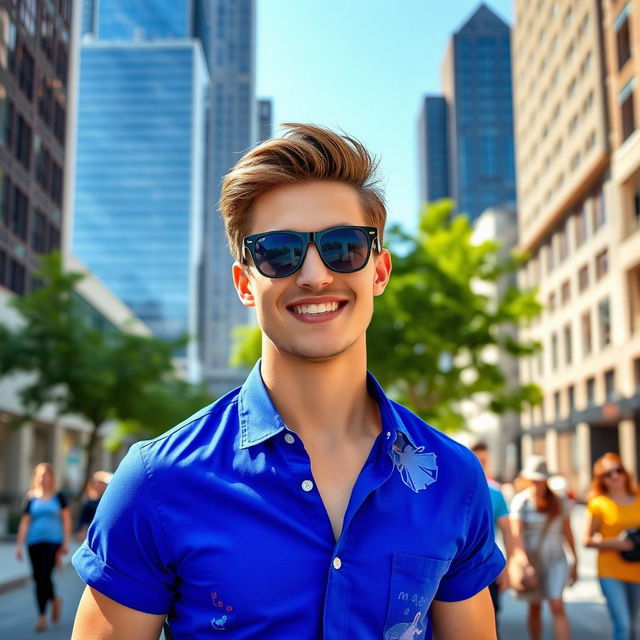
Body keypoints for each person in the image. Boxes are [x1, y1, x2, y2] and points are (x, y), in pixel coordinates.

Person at [71, 123, 505, 640]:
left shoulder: (454, 478)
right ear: (244, 283)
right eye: (279, 251)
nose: (315, 275)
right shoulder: (156, 482)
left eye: (344, 246)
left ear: (380, 271)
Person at [509, 455, 577, 640]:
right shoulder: (520, 502)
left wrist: (575, 561)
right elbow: (516, 537)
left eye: (541, 478)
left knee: (557, 604)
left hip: (556, 558)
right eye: (534, 478)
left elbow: (568, 532)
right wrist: (525, 565)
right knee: (535, 606)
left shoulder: (559, 500)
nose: (538, 482)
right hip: (532, 559)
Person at [584, 452, 640, 640]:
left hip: (637, 570)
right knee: (622, 625)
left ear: (625, 473)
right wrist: (614, 543)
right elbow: (587, 540)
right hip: (610, 571)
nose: (615, 476)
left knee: (635, 627)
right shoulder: (599, 504)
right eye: (608, 474)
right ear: (601, 479)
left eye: (618, 471)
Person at [15, 462, 71, 632]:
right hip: (33, 542)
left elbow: (66, 520)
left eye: (46, 474)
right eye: (40, 475)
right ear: (36, 478)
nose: (43, 477)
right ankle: (54, 599)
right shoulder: (31, 498)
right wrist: (19, 545)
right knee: (39, 578)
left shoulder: (59, 497)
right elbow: (24, 523)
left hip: (53, 542)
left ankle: (42, 618)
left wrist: (66, 543)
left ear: (52, 477)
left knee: (45, 575)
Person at [470, 441, 515, 636]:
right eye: (478, 460)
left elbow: (507, 531)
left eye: (485, 461)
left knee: (492, 620)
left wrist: (509, 565)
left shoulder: (496, 493)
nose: (482, 464)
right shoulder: (456, 490)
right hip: (458, 567)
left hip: (488, 565)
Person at [75, 471, 112, 542]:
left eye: (102, 484)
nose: (100, 486)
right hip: (91, 530)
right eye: (98, 483)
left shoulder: (108, 500)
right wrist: (80, 529)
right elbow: (83, 516)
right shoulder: (90, 500)